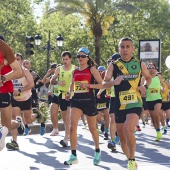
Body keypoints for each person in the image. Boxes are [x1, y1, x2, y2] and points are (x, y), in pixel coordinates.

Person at [102, 38, 151, 170]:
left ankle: (132, 159)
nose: (125, 49)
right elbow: (104, 83)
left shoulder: (140, 64)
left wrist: (145, 87)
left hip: (135, 102)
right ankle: (130, 159)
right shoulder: (113, 65)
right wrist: (113, 82)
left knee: (128, 129)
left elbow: (148, 78)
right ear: (119, 49)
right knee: (122, 138)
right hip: (119, 104)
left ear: (132, 49)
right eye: (122, 47)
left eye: (128, 46)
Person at [64, 47, 102, 166]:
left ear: (87, 57)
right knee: (72, 126)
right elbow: (72, 84)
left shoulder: (92, 69)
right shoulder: (75, 71)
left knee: (92, 129)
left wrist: (89, 86)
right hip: (77, 101)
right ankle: (73, 155)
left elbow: (102, 84)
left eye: (83, 56)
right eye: (78, 56)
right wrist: (70, 93)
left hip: (89, 101)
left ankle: (97, 150)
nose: (80, 58)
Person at [6, 53, 36, 150]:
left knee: (28, 120)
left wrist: (19, 90)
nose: (16, 60)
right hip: (15, 100)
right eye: (14, 59)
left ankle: (37, 114)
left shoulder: (25, 71)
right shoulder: (11, 72)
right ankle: (14, 142)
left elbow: (32, 85)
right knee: (14, 117)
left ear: (22, 61)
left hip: (26, 98)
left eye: (18, 59)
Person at [0, 35, 24, 151]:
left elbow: (20, 72)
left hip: (4, 91)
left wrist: (3, 78)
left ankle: (18, 123)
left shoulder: (6, 52)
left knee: (6, 126)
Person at [51, 51, 76, 146]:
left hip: (72, 95)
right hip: (62, 95)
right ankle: (68, 134)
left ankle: (66, 138)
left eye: (67, 59)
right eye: (63, 59)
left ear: (70, 59)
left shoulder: (75, 69)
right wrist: (58, 83)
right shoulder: (59, 69)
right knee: (65, 118)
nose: (65, 61)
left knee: (69, 117)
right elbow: (51, 81)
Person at [22, 60, 45, 135]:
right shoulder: (20, 73)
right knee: (22, 112)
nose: (25, 65)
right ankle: (26, 127)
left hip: (33, 95)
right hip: (24, 95)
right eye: (24, 63)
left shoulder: (33, 73)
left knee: (36, 111)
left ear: (30, 65)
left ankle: (42, 125)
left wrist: (34, 86)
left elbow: (41, 83)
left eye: (27, 63)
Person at [145, 64, 164, 141]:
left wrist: (162, 88)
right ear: (147, 69)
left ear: (155, 69)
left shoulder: (158, 76)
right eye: (149, 68)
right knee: (153, 117)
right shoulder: (145, 78)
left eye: (152, 68)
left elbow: (162, 84)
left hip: (158, 98)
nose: (151, 69)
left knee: (156, 114)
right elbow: (143, 87)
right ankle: (158, 131)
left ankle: (159, 130)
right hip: (149, 99)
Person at [42, 63, 60, 136]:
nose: (54, 69)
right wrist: (47, 73)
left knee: (66, 115)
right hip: (55, 96)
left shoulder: (64, 75)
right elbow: (43, 81)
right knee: (52, 112)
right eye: (53, 68)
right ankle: (55, 128)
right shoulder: (52, 77)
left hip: (64, 96)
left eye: (55, 68)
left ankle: (68, 131)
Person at [96, 66, 110, 140]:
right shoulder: (95, 78)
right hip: (97, 99)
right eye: (99, 71)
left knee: (106, 115)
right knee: (98, 118)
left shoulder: (107, 78)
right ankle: (103, 123)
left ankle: (106, 132)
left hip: (105, 98)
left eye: (102, 71)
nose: (101, 72)